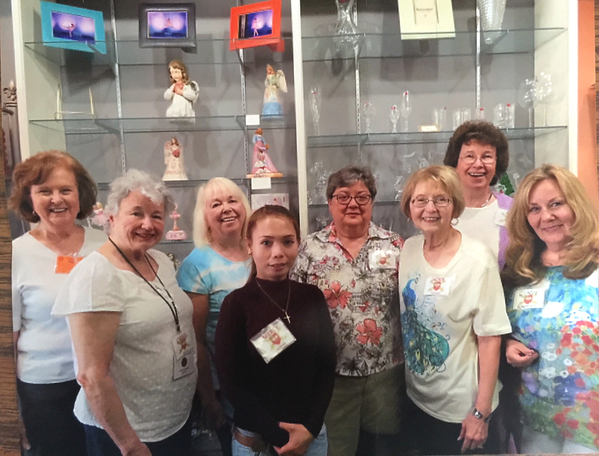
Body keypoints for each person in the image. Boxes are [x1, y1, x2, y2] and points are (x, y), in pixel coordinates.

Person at [52, 169, 197, 456]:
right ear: (112, 216)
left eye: (156, 215)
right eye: (137, 213)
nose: (148, 224)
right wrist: (129, 445)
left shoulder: (158, 260)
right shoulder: (97, 275)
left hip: (171, 420)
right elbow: (92, 376)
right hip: (128, 435)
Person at [290, 165, 405, 456]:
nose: (353, 204)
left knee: (383, 448)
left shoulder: (394, 245)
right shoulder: (311, 249)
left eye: (362, 197)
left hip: (385, 373)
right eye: (343, 197)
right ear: (330, 203)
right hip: (333, 376)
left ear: (372, 202)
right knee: (337, 450)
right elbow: (293, 307)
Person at [398, 165, 512, 455]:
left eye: (441, 199)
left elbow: (490, 338)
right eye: (420, 200)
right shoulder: (408, 249)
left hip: (461, 411)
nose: (430, 208)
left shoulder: (476, 259)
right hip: (417, 399)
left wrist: (480, 412)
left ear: (455, 206)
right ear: (409, 206)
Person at [215, 205, 336, 456]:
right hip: (258, 442)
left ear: (298, 244)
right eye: (266, 243)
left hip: (310, 438)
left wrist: (310, 430)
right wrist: (280, 437)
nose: (278, 253)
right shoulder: (236, 304)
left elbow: (326, 367)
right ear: (249, 245)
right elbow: (231, 383)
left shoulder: (311, 297)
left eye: (287, 242)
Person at [10, 150, 105, 456]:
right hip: (44, 389)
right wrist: (10, 410)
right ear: (29, 199)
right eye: (44, 191)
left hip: (103, 383)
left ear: (81, 195)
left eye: (66, 190)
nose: (57, 199)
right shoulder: (14, 255)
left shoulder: (105, 244)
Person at [501, 164, 599, 454]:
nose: (546, 216)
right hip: (533, 417)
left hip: (590, 422)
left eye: (556, 204)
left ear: (576, 205)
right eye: (534, 209)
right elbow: (499, 325)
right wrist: (508, 344)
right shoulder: (519, 268)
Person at [176, 177, 252, 456]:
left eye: (233, 200)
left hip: (268, 380)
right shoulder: (197, 264)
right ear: (205, 217)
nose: (227, 208)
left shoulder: (261, 250)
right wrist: (209, 398)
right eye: (216, 204)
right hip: (226, 387)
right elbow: (194, 340)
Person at [444, 120, 512, 269]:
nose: (478, 164)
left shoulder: (513, 209)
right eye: (469, 156)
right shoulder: (441, 208)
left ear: (497, 162)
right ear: (455, 162)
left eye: (487, 156)